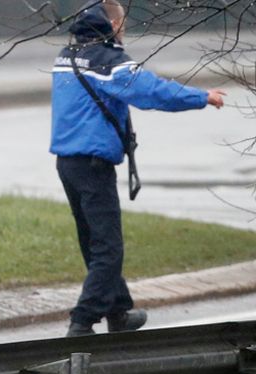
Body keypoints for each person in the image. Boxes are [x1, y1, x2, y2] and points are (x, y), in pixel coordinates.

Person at [51, 0, 226, 337]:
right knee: (109, 247)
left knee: (93, 241)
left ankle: (118, 311)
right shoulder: (109, 62)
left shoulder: (67, 56)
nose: (125, 30)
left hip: (67, 164)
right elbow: (152, 92)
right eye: (123, 24)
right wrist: (201, 97)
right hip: (93, 164)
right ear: (114, 25)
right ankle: (83, 320)